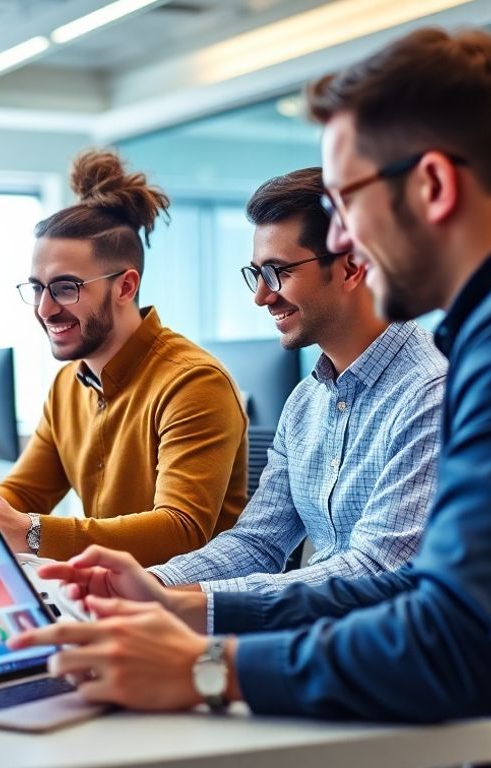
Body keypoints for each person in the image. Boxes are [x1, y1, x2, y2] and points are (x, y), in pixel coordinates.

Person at [10, 27, 491, 766]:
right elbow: (415, 592)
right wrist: (180, 602)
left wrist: (204, 667)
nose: (345, 238)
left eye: (347, 201)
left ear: (432, 185)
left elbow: (458, 639)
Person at [146, 167, 445, 594]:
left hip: (389, 648)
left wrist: (188, 601)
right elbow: (258, 542)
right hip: (316, 637)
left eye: (277, 272)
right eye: (257, 275)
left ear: (352, 267)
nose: (261, 297)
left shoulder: (430, 392)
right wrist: (149, 582)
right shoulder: (306, 400)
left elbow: (376, 569)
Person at [0, 150, 249, 567]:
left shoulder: (193, 383)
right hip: (107, 598)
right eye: (37, 288)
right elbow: (23, 495)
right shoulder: (69, 384)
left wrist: (30, 530)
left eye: (65, 287)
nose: (44, 309)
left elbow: (181, 530)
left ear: (125, 286)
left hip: (182, 609)